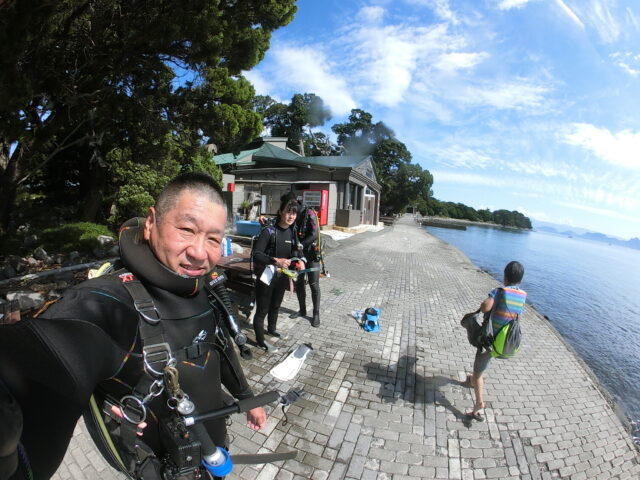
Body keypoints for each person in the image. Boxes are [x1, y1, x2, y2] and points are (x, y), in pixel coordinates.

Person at [0, 172, 267, 480]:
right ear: (151, 222)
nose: (198, 252)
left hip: (216, 453)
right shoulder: (108, 300)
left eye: (213, 239)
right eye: (186, 230)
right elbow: (50, 353)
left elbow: (219, 346)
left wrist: (248, 398)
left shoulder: (205, 287)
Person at [466, 261, 526, 421]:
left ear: (505, 276)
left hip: (490, 340)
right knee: (483, 364)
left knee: (478, 372)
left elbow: (485, 307)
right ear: (520, 279)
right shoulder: (522, 295)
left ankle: (478, 404)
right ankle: (470, 380)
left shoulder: (499, 292)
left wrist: (488, 301)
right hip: (504, 340)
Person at [252, 198, 304, 353]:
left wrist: (299, 260)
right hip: (266, 276)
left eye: (294, 213)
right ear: (280, 211)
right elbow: (257, 254)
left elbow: (296, 251)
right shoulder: (268, 231)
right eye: (288, 212)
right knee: (262, 310)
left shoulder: (292, 232)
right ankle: (260, 341)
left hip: (282, 277)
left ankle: (272, 329)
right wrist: (276, 261)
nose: (291, 216)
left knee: (275, 306)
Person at [284, 194, 322, 328]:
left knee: (313, 284)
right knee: (299, 284)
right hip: (298, 255)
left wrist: (301, 245)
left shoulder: (309, 213)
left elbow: (315, 234)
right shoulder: (292, 215)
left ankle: (316, 314)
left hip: (312, 254)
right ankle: (302, 310)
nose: (289, 210)